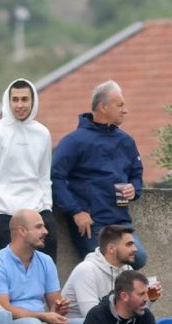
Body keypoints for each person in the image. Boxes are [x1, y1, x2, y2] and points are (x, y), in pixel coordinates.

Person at [52, 80, 146, 268]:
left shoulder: (126, 141)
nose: (125, 110)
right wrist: (76, 211)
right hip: (91, 223)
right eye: (120, 105)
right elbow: (55, 177)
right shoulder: (74, 141)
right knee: (101, 267)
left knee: (139, 258)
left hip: (121, 222)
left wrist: (133, 189)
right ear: (103, 107)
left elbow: (136, 175)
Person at [0, 79, 56, 257]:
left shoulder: (43, 133)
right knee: (7, 274)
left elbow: (44, 176)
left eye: (25, 99)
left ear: (33, 101)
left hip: (38, 213)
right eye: (15, 100)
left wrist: (47, 208)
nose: (20, 105)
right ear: (7, 102)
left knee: (45, 271)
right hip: (4, 215)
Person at [61, 224, 139, 319]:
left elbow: (137, 311)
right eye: (129, 245)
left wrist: (150, 299)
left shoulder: (127, 270)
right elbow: (91, 316)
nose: (135, 249)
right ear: (111, 248)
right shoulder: (86, 269)